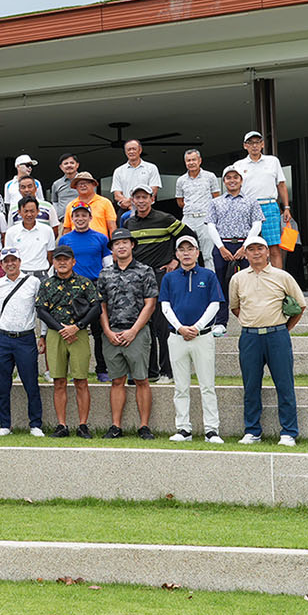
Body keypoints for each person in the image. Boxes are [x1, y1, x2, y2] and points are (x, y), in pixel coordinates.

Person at [229, 235, 306, 446]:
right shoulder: (238, 279)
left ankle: (289, 432)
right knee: (251, 385)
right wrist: (252, 321)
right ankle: (252, 430)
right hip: (250, 337)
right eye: (251, 249)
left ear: (267, 251)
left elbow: (300, 306)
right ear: (245, 253)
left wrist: (284, 328)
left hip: (277, 335)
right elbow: (235, 307)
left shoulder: (282, 276)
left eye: (260, 249)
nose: (256, 253)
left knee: (284, 385)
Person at [125, 184, 196, 383]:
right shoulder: (129, 224)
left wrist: (176, 259)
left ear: (152, 199)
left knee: (162, 326)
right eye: (137, 197)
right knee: (144, 326)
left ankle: (168, 371)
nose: (141, 201)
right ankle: (151, 371)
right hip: (138, 279)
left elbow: (189, 236)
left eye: (144, 197)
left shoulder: (164, 218)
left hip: (160, 277)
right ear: (133, 201)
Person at [160, 235, 224, 444]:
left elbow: (215, 304)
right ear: (177, 254)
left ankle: (211, 429)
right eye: (182, 250)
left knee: (207, 385)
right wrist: (180, 327)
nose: (186, 253)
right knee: (181, 386)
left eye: (190, 249)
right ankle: (183, 428)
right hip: (177, 337)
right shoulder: (169, 278)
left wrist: (196, 328)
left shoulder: (209, 275)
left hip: (202, 337)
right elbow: (165, 306)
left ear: (197, 252)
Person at [98, 228, 159, 440]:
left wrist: (134, 331)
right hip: (112, 333)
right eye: (117, 243)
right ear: (112, 249)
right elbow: (101, 305)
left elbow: (150, 304)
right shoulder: (105, 274)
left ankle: (144, 426)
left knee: (141, 379)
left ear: (132, 245)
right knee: (117, 380)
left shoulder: (145, 271)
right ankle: (116, 426)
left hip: (137, 332)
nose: (121, 246)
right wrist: (107, 331)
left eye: (125, 242)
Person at [35, 246, 102, 438]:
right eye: (58, 259)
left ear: (73, 262)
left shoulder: (84, 283)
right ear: (53, 262)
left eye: (66, 259)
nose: (62, 262)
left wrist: (77, 326)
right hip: (57, 334)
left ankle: (83, 425)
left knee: (81, 380)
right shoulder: (47, 285)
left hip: (78, 333)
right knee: (59, 381)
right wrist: (61, 328)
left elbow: (96, 307)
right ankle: (61, 424)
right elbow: (41, 310)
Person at [0, 247, 44, 438]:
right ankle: (5, 424)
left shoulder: (33, 282)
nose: (10, 264)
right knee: (2, 385)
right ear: (1, 264)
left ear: (20, 262)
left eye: (14, 260)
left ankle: (35, 424)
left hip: (26, 338)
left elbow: (40, 310)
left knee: (31, 384)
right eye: (6, 261)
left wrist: (42, 335)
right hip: (4, 338)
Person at [61, 203, 113, 380]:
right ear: (72, 218)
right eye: (77, 216)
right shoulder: (65, 239)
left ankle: (102, 368)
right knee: (71, 330)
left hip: (95, 286)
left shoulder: (101, 238)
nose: (80, 219)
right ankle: (71, 370)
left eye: (84, 215)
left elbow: (108, 264)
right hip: (72, 288)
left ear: (90, 218)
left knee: (99, 331)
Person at [209, 166, 265, 323]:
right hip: (222, 245)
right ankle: (220, 322)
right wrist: (221, 247)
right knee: (220, 283)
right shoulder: (215, 202)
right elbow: (211, 226)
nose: (232, 180)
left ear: (241, 180)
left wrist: (245, 247)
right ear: (224, 181)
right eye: (228, 178)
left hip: (246, 245)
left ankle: (253, 318)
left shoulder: (251, 201)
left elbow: (257, 224)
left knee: (251, 281)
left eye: (235, 177)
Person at [235, 131, 292, 268]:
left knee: (273, 247)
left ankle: (278, 283)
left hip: (269, 205)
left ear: (262, 144)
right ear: (245, 146)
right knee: (248, 246)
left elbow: (282, 185)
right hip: (247, 206)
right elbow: (234, 188)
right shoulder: (238, 165)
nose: (254, 146)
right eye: (250, 143)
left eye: (257, 142)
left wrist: (286, 208)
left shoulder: (273, 161)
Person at [174, 149, 221, 271]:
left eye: (194, 160)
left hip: (205, 218)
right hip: (188, 219)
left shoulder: (210, 176)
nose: (191, 163)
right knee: (186, 252)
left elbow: (216, 199)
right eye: (188, 160)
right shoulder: (181, 180)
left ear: (200, 160)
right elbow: (180, 202)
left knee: (208, 255)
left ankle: (211, 283)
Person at [4, 197, 56, 279]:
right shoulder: (11, 232)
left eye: (32, 211)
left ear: (38, 211)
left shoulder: (47, 230)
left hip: (41, 275)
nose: (29, 215)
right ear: (19, 212)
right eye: (25, 211)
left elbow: (50, 254)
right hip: (19, 275)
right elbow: (9, 256)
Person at [59, 171, 118, 237]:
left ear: (93, 185)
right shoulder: (71, 205)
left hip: (100, 244)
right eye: (79, 184)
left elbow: (112, 227)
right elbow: (67, 229)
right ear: (76, 187)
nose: (82, 186)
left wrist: (113, 244)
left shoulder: (105, 202)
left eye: (86, 183)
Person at [110, 139, 160, 215]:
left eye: (134, 149)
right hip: (125, 210)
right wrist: (130, 205)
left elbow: (153, 190)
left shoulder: (151, 168)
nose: (131, 152)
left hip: (147, 210)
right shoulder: (119, 171)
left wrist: (137, 203)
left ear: (140, 150)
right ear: (125, 152)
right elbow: (117, 194)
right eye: (129, 149)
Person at [49, 154, 82, 222]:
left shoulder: (84, 181)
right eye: (66, 163)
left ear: (77, 165)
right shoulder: (56, 184)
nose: (69, 165)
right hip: (63, 221)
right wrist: (57, 216)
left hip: (82, 220)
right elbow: (55, 202)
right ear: (61, 167)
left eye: (72, 163)